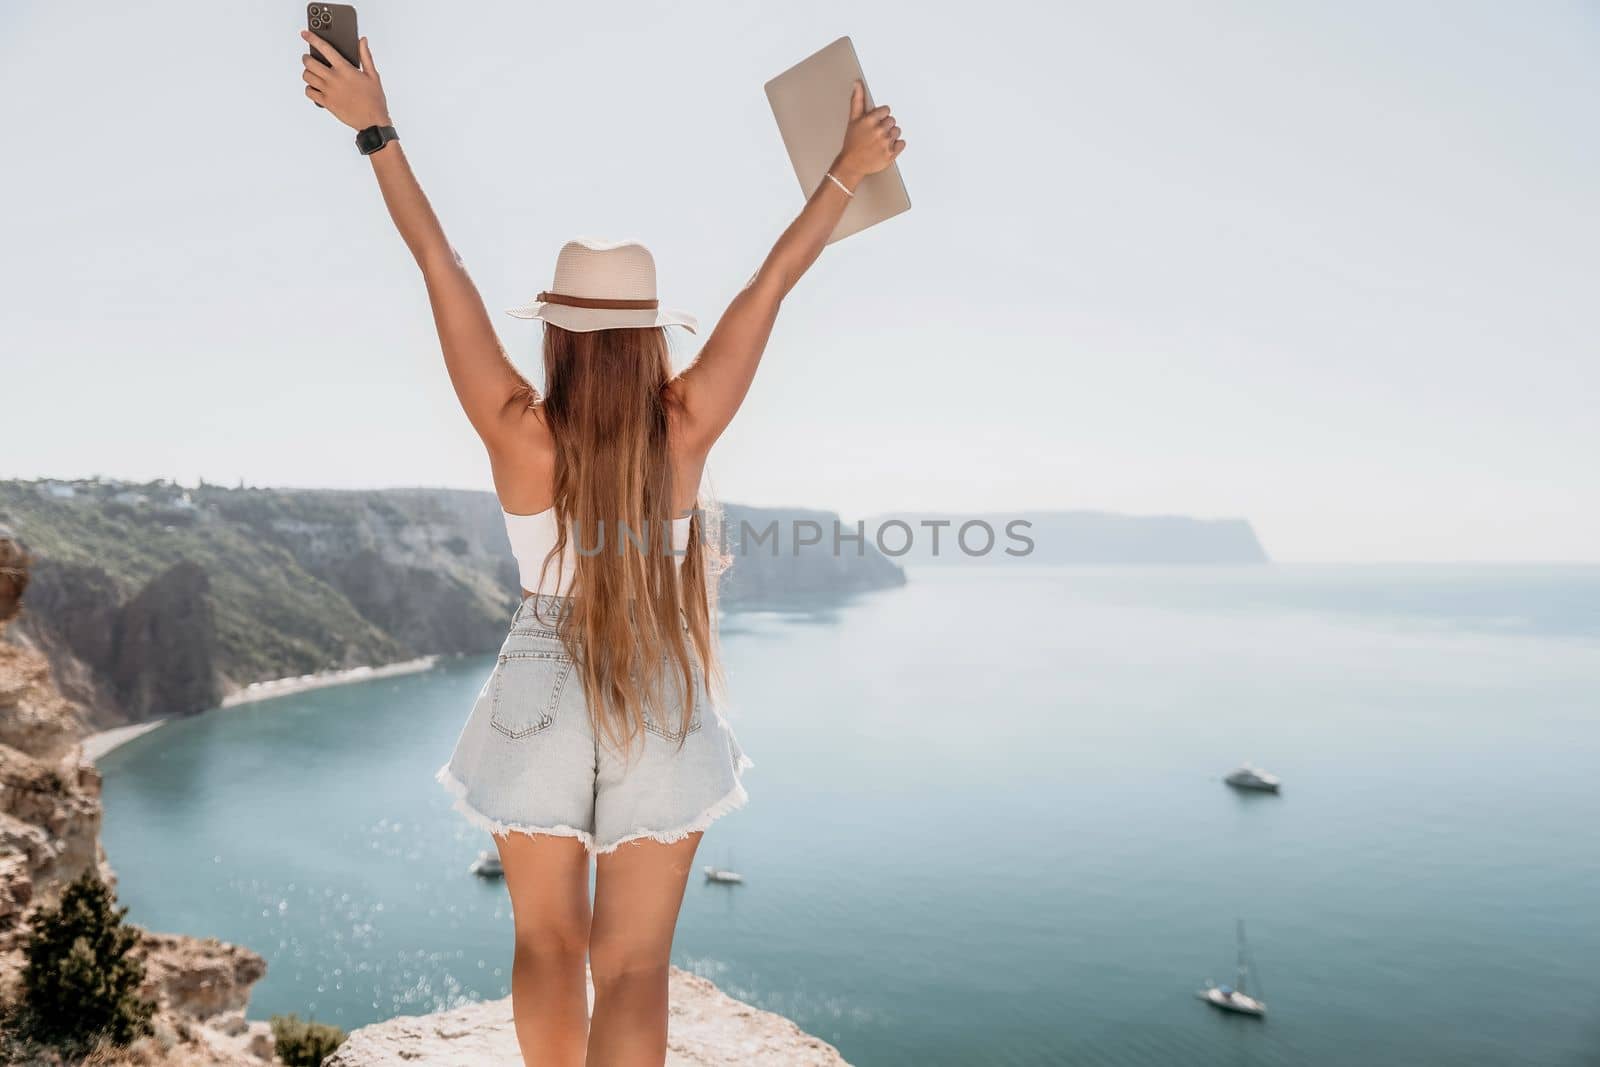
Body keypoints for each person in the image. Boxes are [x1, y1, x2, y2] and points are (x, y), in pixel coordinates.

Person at [299, 30, 905, 1067]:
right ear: (650, 333)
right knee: (632, 966)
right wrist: (845, 170)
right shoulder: (685, 425)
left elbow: (436, 262)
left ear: (559, 331)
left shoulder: (517, 429)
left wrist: (376, 131)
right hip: (658, 682)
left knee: (545, 940)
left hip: (539, 679)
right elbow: (770, 284)